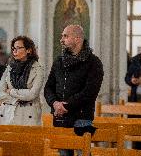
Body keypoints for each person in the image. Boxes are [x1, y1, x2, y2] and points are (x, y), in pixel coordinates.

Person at [44, 25, 103, 156]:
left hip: (81, 117)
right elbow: (48, 87)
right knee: (64, 153)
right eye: (62, 36)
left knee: (83, 153)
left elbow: (90, 92)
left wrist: (65, 105)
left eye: (65, 36)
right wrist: (54, 103)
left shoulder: (93, 62)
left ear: (77, 38)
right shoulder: (59, 61)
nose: (61, 39)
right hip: (60, 116)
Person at [0, 36, 44, 126]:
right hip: (9, 113)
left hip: (28, 115)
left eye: (18, 48)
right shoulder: (10, 67)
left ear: (28, 50)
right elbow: (0, 93)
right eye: (13, 48)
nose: (15, 51)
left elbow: (32, 94)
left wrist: (11, 91)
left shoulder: (37, 69)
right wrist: (17, 100)